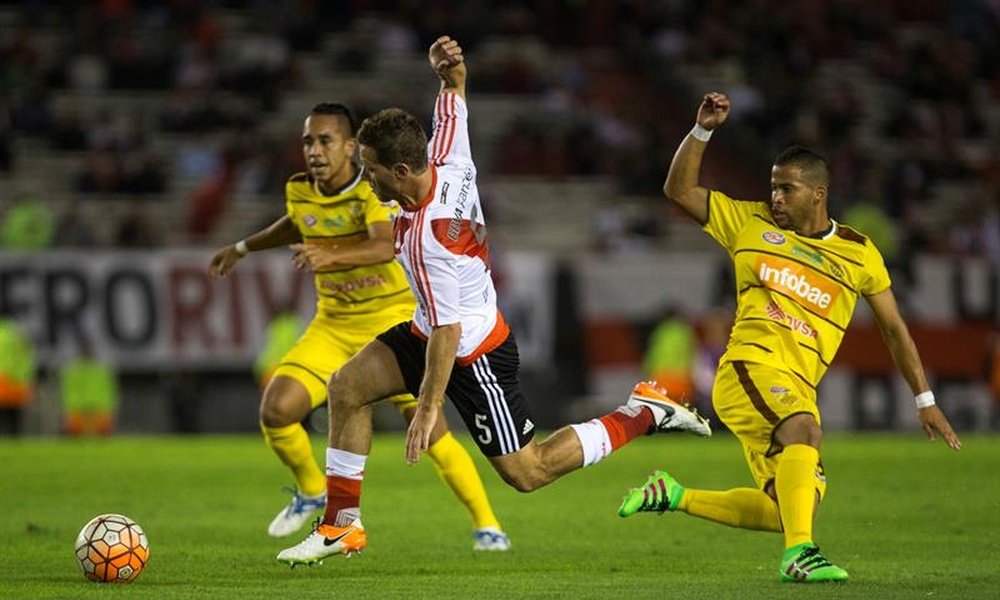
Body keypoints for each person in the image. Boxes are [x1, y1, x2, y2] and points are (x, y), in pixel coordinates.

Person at [276, 36, 711, 566]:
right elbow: (455, 95)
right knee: (346, 387)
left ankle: (642, 412)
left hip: (476, 352)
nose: (366, 178)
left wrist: (428, 408)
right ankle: (341, 525)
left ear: (401, 173)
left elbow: (448, 333)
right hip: (434, 329)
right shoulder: (446, 157)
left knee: (529, 473)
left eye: (371, 169)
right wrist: (448, 71)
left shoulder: (426, 239)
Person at [617, 92, 963, 583]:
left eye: (787, 189)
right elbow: (679, 190)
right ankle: (800, 556)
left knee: (787, 508)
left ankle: (674, 495)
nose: (775, 197)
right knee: (804, 431)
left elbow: (894, 328)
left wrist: (924, 398)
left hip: (798, 384)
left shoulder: (860, 254)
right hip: (748, 370)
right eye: (773, 187)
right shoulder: (748, 221)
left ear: (818, 194)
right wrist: (702, 131)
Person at [208, 100, 511, 551]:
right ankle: (315, 492)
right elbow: (299, 223)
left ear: (350, 147)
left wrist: (330, 255)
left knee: (432, 432)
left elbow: (384, 244)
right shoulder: (301, 190)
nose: (314, 150)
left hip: (390, 320)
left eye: (325, 140)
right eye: (308, 140)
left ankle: (488, 524)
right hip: (333, 326)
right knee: (277, 410)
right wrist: (243, 246)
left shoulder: (377, 189)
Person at [60, 340, 119, 436]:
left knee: (104, 423)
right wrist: (69, 411)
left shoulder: (102, 370)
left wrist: (110, 410)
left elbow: (111, 392)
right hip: (78, 409)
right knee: (73, 424)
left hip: (99, 408)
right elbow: (67, 393)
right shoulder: (72, 371)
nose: (87, 352)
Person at [641, 304, 696, 401]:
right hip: (681, 378)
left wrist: (647, 372)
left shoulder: (660, 331)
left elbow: (653, 354)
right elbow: (692, 354)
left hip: (661, 377)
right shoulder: (685, 331)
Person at [0, 317, 34, 435]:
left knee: (7, 419)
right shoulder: (18, 333)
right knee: (14, 421)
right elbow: (26, 360)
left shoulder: (8, 333)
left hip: (6, 383)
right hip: (16, 384)